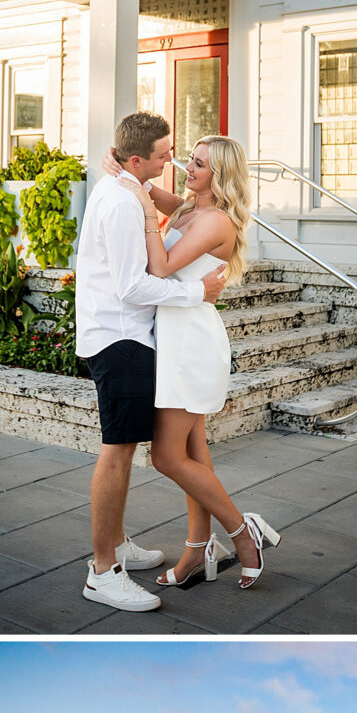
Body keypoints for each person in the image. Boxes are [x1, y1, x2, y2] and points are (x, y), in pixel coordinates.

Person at [112, 133, 281, 592]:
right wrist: (124, 173)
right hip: (171, 337)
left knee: (167, 456)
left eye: (200, 163)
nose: (189, 167)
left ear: (219, 174)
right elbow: (147, 189)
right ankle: (197, 547)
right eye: (189, 158)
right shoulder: (189, 208)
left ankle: (243, 533)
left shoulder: (217, 221)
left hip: (191, 343)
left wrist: (148, 210)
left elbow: (162, 267)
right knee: (193, 453)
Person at [75, 109, 228, 613]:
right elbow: (133, 285)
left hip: (132, 336)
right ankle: (103, 570)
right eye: (165, 155)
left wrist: (122, 173)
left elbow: (173, 204)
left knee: (128, 450)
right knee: (117, 451)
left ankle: (117, 545)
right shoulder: (122, 203)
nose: (174, 161)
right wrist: (198, 292)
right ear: (138, 157)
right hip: (119, 339)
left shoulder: (125, 188)